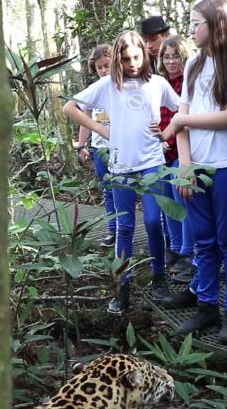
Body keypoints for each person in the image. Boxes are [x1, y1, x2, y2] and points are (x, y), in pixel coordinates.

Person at [63, 30, 180, 314]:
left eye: (137, 57)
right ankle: (123, 286)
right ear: (118, 58)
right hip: (121, 166)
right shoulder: (107, 85)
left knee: (153, 221)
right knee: (125, 227)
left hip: (152, 162)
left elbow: (181, 109)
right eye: (126, 59)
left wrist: (166, 133)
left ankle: (159, 276)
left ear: (145, 54)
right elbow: (70, 107)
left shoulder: (158, 83)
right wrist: (101, 129)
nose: (133, 64)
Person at [158, 0, 227, 343]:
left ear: (217, 24)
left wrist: (181, 119)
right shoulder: (194, 64)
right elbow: (182, 119)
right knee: (204, 240)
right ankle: (207, 306)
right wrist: (184, 165)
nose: (191, 29)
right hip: (194, 166)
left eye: (197, 22)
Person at [156, 35, 197, 278]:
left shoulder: (187, 83)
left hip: (179, 152)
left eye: (176, 56)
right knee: (167, 205)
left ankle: (187, 252)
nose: (171, 61)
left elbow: (182, 121)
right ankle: (175, 248)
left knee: (182, 202)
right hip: (160, 151)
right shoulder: (161, 83)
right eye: (166, 56)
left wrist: (168, 142)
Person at [74, 44, 117, 248]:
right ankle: (113, 230)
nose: (103, 70)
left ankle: (128, 227)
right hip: (101, 147)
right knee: (108, 190)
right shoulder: (93, 91)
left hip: (122, 146)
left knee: (125, 187)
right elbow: (85, 117)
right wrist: (81, 145)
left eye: (106, 65)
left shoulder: (121, 86)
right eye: (99, 67)